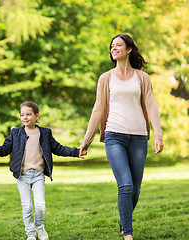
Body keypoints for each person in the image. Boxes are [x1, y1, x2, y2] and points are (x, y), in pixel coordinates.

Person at [79, 34, 164, 240]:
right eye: (111, 46)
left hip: (138, 138)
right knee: (124, 185)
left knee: (134, 191)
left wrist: (158, 135)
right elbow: (98, 110)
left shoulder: (142, 78)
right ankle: (128, 233)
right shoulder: (105, 78)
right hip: (114, 135)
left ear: (128, 50)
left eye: (118, 45)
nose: (114, 48)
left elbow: (151, 105)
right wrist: (86, 140)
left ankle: (123, 218)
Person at [0, 101, 82, 240]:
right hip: (22, 176)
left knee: (40, 206)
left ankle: (39, 225)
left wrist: (76, 152)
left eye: (29, 114)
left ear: (36, 116)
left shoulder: (45, 133)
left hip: (38, 175)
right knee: (27, 207)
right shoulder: (16, 133)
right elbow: (3, 150)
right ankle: (30, 234)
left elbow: (59, 148)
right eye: (22, 115)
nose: (25, 117)